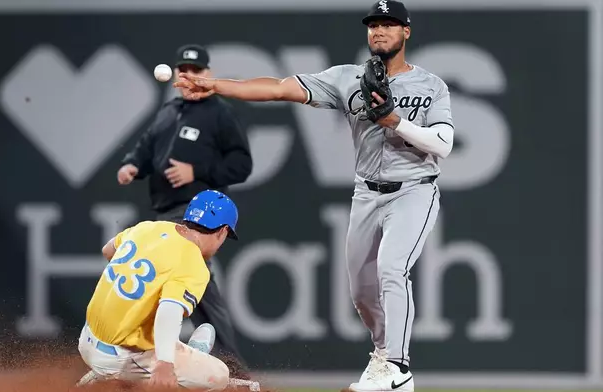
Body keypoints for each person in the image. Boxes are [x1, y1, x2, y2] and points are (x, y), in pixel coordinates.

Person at [173, 2, 454, 391]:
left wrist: (396, 122)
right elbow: (276, 89)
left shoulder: (431, 85)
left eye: (389, 24)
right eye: (374, 24)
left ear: (406, 31)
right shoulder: (347, 79)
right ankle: (381, 357)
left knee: (392, 268)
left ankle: (397, 368)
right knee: (361, 290)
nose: (379, 30)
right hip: (366, 193)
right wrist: (216, 85)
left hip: (414, 190)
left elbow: (443, 144)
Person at [116, 43, 252, 374]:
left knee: (185, 279)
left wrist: (198, 172)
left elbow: (242, 164)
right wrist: (132, 165)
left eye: (196, 71)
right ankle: (211, 362)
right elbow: (146, 149)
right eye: (184, 71)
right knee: (189, 283)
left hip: (195, 215)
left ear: (208, 75)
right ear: (177, 76)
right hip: (166, 210)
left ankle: (229, 365)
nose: (189, 76)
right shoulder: (169, 111)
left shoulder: (219, 114)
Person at [77, 190, 238, 391]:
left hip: (86, 337)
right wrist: (164, 364)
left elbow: (107, 251)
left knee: (156, 333)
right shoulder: (194, 262)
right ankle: (113, 377)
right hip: (121, 357)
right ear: (222, 231)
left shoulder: (149, 228)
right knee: (219, 376)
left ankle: (186, 356)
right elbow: (168, 311)